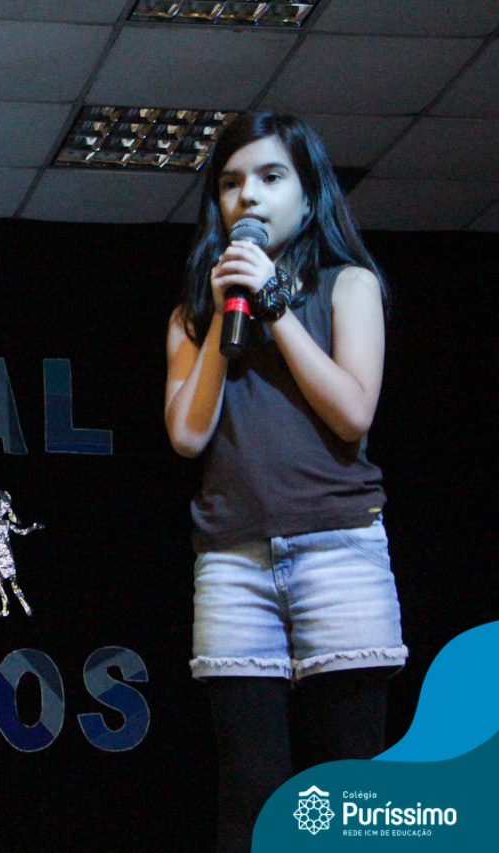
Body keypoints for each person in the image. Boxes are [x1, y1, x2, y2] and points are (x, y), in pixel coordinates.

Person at [163, 111, 408, 852]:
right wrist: (223, 317)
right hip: (233, 561)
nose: (249, 196)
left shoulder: (348, 286)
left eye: (271, 177)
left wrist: (274, 304)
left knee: (350, 787)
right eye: (231, 183)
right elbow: (187, 434)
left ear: (309, 193)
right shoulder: (192, 317)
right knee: (250, 793)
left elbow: (352, 412)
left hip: (340, 550)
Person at [0, 489, 43, 617]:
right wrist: (33, 527)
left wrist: (33, 527)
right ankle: (10, 609)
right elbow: (22, 532)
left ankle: (24, 608)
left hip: (2, 558)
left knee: (6, 584)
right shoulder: (2, 524)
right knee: (5, 584)